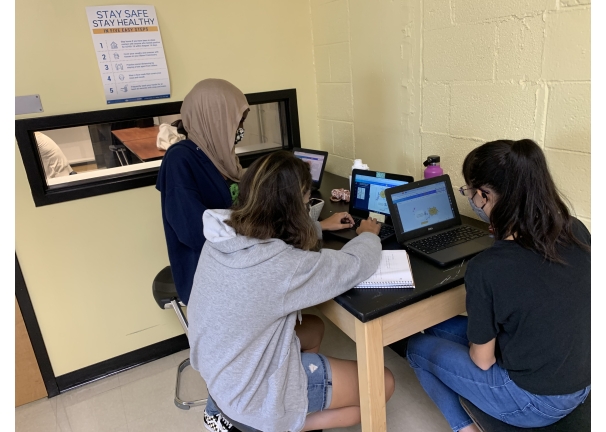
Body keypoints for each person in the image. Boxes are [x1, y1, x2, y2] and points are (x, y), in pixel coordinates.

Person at [187, 151, 396, 432]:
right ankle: (281, 423)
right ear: (293, 207)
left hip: (221, 372)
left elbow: (272, 231)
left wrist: (317, 226)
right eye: (306, 202)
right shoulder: (282, 267)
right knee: (383, 383)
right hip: (251, 394)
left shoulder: (221, 235)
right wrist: (370, 235)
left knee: (314, 327)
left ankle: (285, 410)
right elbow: (354, 264)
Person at [406, 139, 590, 431]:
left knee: (416, 347)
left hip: (537, 400)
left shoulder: (488, 268)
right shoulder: (575, 229)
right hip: (582, 378)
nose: (471, 199)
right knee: (438, 327)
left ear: (484, 195)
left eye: (469, 192)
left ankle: (467, 428)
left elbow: (482, 361)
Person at [156, 78, 250, 306]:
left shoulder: (222, 158)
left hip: (239, 262)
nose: (239, 130)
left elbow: (246, 209)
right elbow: (193, 231)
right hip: (210, 277)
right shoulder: (181, 159)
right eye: (236, 122)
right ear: (215, 120)